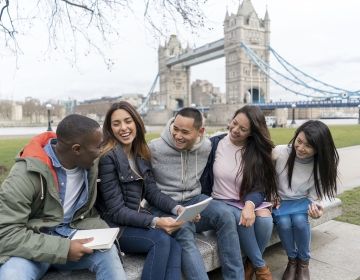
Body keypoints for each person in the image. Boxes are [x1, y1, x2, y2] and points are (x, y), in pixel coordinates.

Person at [0, 114, 126, 280]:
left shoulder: (89, 162)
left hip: (76, 233)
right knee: (12, 276)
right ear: (76, 149)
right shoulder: (25, 174)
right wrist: (63, 248)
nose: (101, 151)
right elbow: (6, 234)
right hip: (33, 242)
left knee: (109, 255)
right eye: (98, 146)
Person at [149, 107, 244, 280]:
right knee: (184, 230)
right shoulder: (154, 148)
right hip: (165, 206)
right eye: (175, 129)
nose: (177, 135)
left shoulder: (206, 146)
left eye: (185, 132)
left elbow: (234, 140)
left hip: (195, 201)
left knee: (226, 215)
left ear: (200, 132)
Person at [96, 101, 184, 280]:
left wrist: (178, 209)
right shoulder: (108, 157)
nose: (123, 128)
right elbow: (116, 211)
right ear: (109, 128)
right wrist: (156, 221)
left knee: (175, 245)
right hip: (113, 227)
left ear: (136, 122)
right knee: (160, 240)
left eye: (128, 121)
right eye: (116, 123)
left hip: (133, 220)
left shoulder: (140, 153)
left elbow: (152, 192)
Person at [200, 105, 277, 280]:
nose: (235, 130)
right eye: (234, 123)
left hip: (245, 200)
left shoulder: (256, 151)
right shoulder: (214, 144)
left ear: (252, 132)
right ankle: (261, 267)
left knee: (265, 220)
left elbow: (259, 187)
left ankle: (250, 264)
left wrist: (250, 204)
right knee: (240, 218)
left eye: (243, 129)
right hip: (219, 201)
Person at [273, 120, 339, 280]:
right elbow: (265, 176)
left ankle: (303, 263)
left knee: (300, 221)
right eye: (299, 141)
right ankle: (292, 260)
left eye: (308, 146)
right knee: (283, 223)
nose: (301, 148)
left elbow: (316, 196)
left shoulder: (320, 165)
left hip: (302, 201)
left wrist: (317, 208)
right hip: (280, 201)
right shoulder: (280, 152)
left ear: (319, 149)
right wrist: (270, 193)